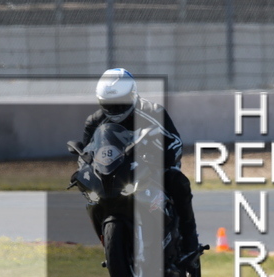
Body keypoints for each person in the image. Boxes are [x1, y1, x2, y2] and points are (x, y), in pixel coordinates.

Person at [82, 68, 199, 255]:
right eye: (109, 104)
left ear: (133, 95)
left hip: (150, 167)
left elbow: (175, 141)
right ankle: (113, 245)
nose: (115, 109)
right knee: (92, 195)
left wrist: (163, 158)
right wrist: (84, 165)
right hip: (115, 173)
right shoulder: (94, 121)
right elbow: (87, 151)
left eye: (120, 103)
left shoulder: (153, 112)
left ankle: (190, 240)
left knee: (178, 182)